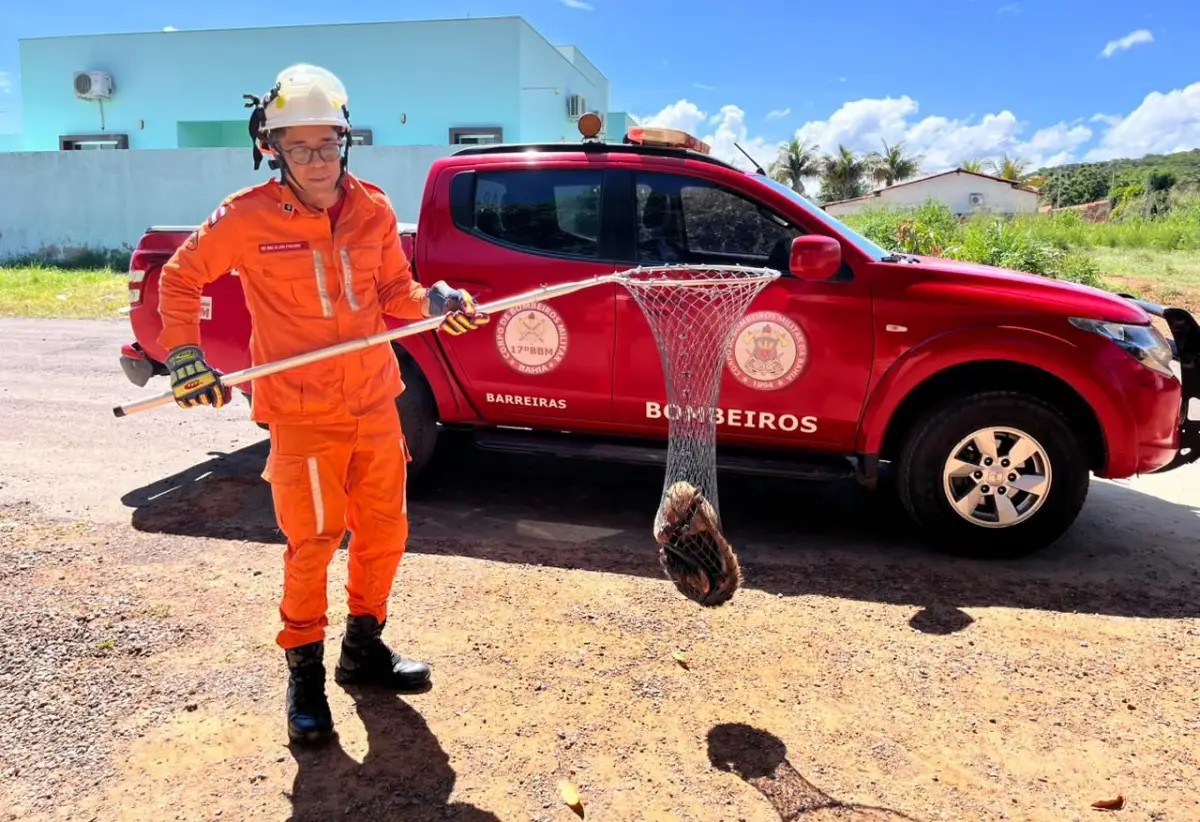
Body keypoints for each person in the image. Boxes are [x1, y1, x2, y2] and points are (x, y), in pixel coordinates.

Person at [155, 63, 490, 746]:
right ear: (271, 148)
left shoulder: (373, 208)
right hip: (303, 413)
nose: (315, 160)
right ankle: (303, 671)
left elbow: (396, 294)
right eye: (297, 146)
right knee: (311, 543)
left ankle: (363, 649)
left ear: (346, 141)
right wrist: (186, 355)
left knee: (384, 533)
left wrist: (435, 302)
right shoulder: (246, 217)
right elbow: (181, 278)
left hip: (375, 402)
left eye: (326, 144)